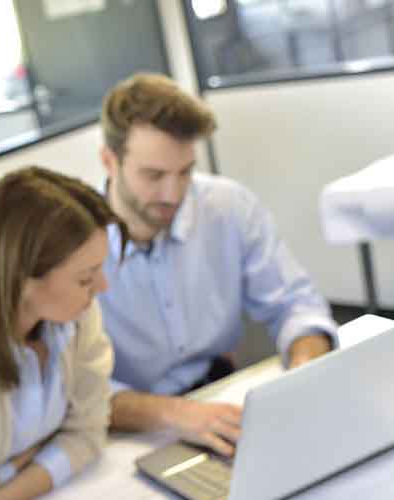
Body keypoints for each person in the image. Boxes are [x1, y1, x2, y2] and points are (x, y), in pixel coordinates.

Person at [96, 73, 338, 457]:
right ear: (109, 161)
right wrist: (175, 414)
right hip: (126, 428)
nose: (173, 194)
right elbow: (73, 391)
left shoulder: (227, 207)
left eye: (185, 172)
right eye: (154, 175)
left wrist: (305, 367)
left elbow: (295, 303)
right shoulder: (71, 243)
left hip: (221, 399)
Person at [0, 167, 123, 499]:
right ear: (21, 276)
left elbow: (88, 433)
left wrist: (7, 486)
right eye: (85, 278)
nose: (101, 287)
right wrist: (21, 464)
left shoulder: (74, 312)